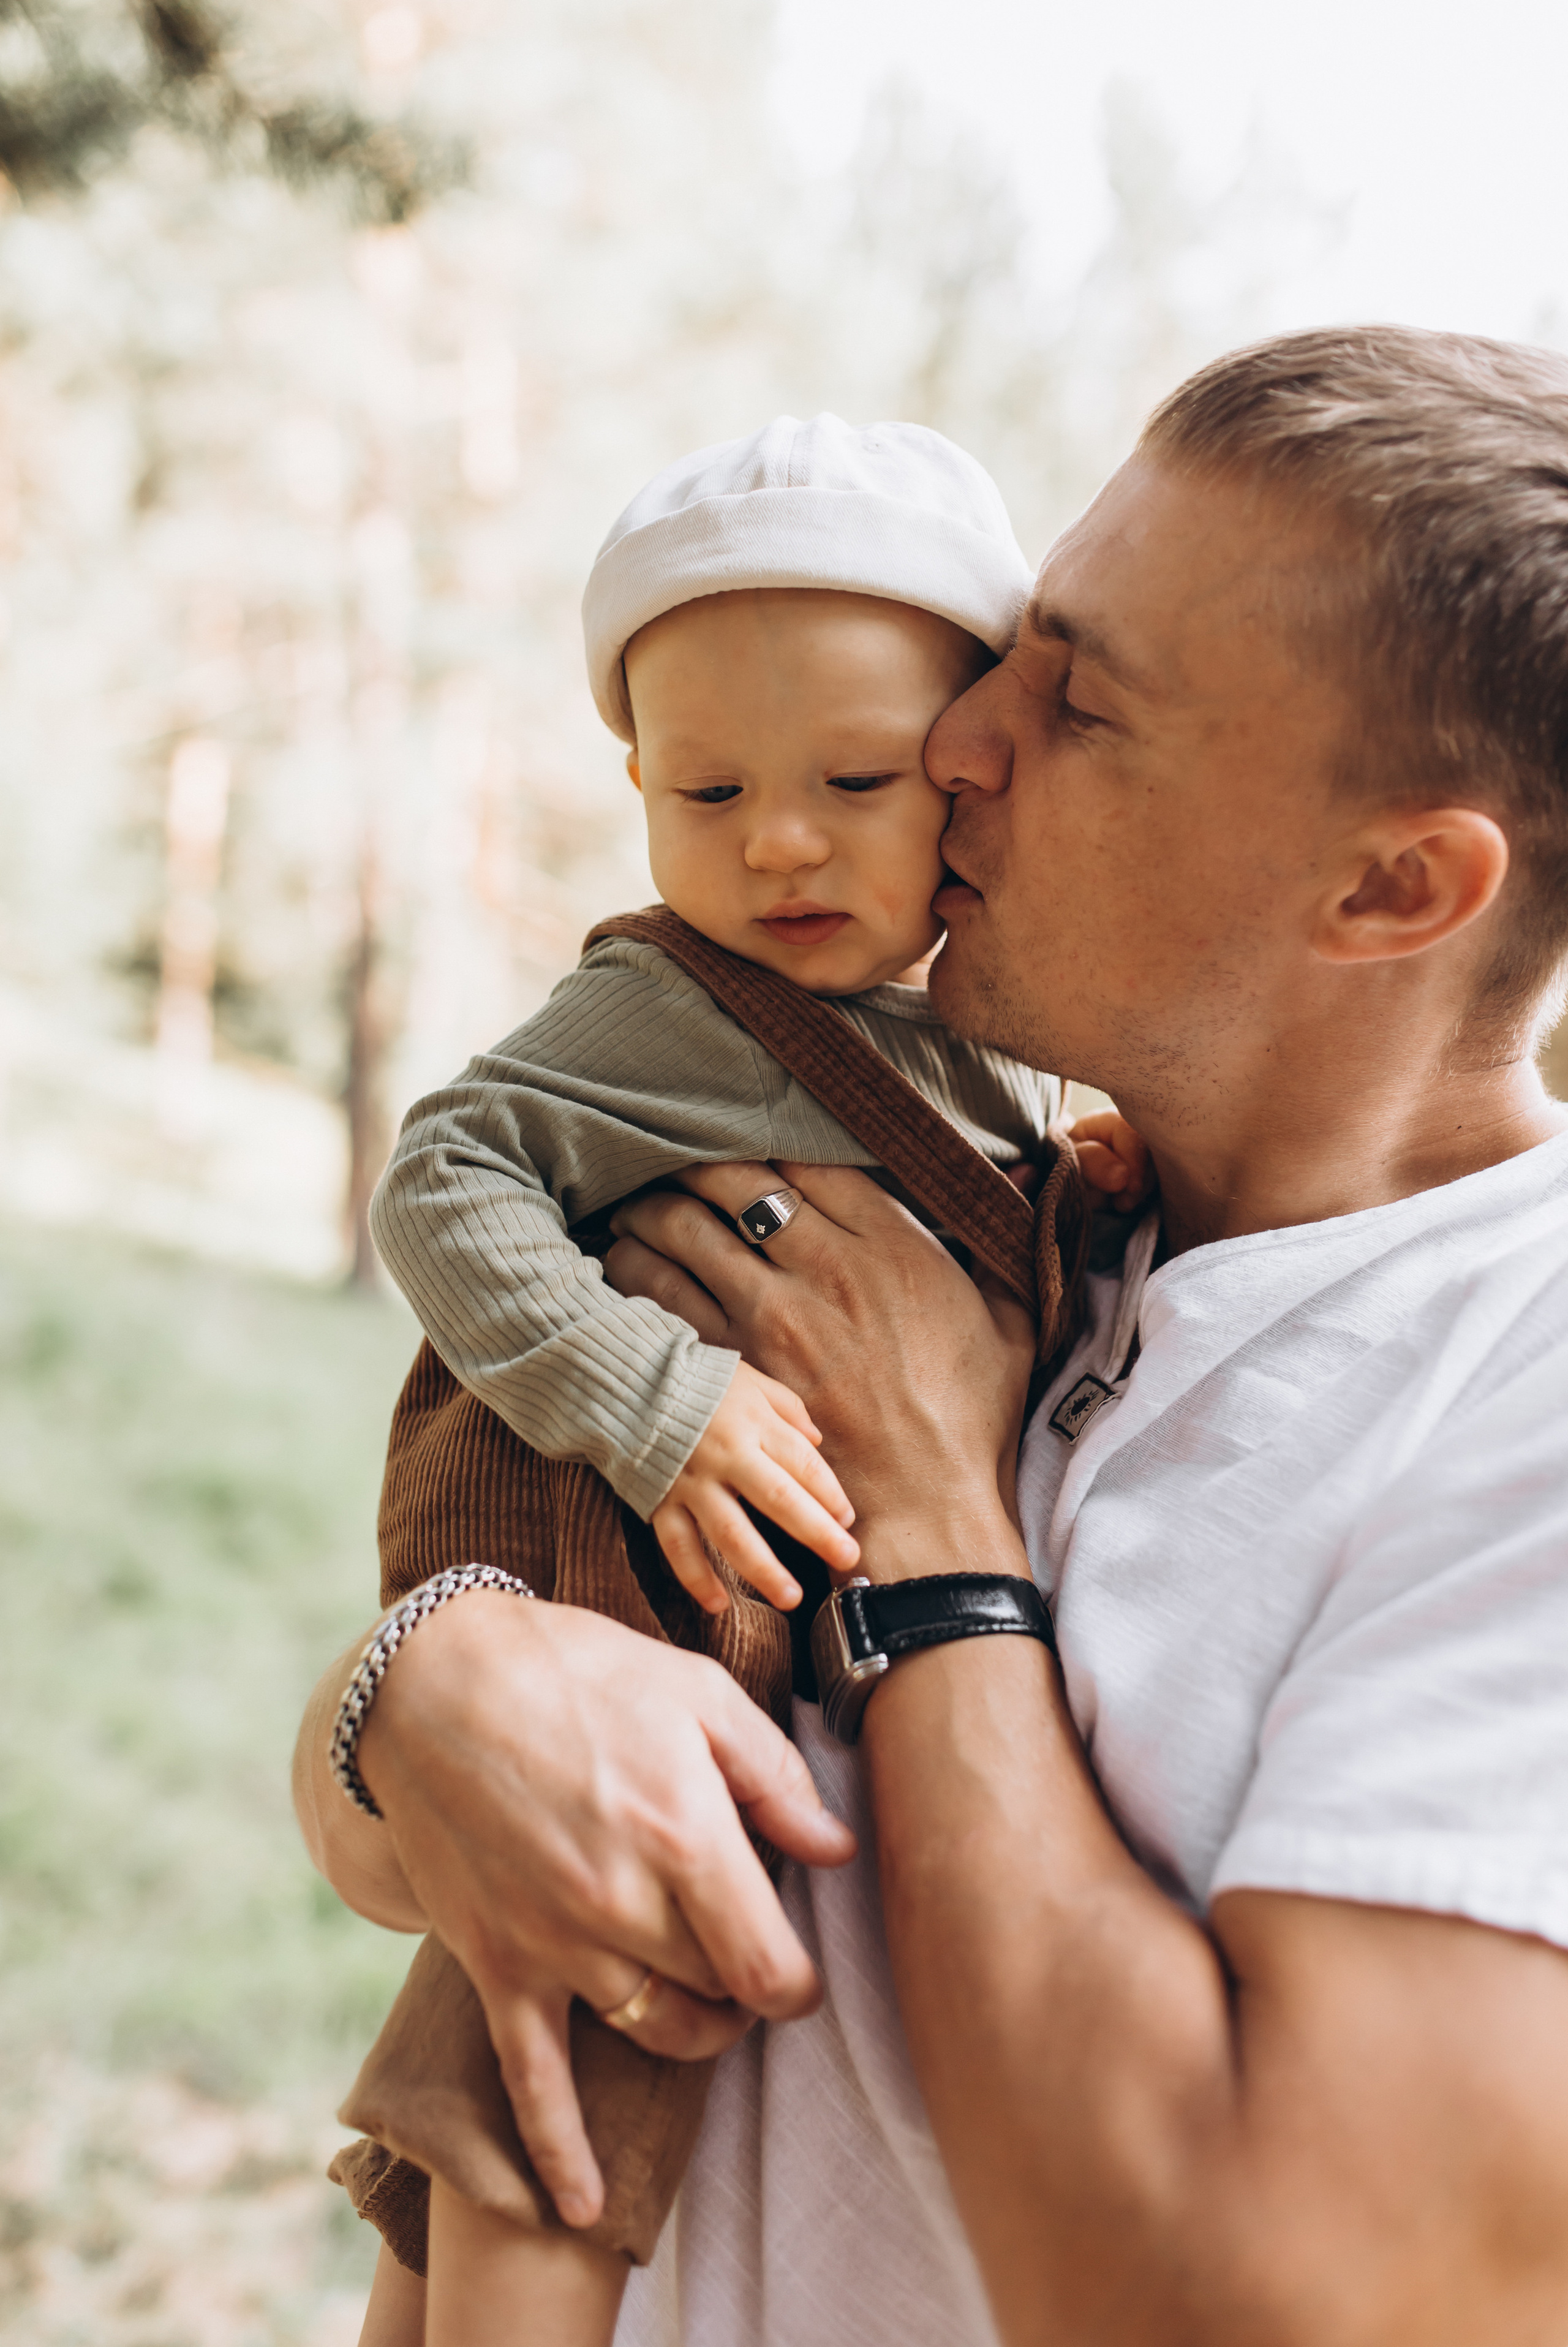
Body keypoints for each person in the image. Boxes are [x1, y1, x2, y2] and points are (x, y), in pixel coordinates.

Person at [296, 325, 1568, 2347]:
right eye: (1019, 646)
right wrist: (423, 1694)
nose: (967, 734)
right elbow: (395, 1845)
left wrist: (929, 1513)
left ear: (1396, 884)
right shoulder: (1012, 1211)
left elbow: (1263, 2294)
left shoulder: (1518, 1387)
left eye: (1087, 701)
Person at [319, 414, 1144, 2345]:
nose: (776, 841)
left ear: (969, 765)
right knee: (580, 2045)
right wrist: (642, 1391)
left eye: (854, 779)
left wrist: (1082, 1199)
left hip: (793, 1631)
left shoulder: (983, 1039)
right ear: (633, 783)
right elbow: (445, 1171)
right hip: (629, 1579)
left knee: (561, 2037)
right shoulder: (659, 1008)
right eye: (704, 792)